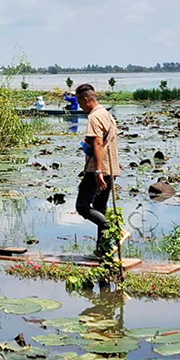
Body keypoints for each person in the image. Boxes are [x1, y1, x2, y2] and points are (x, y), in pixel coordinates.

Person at [74, 83, 122, 257]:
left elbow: (99, 143)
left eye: (80, 102)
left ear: (86, 100)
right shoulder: (107, 115)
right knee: (100, 207)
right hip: (111, 168)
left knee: (82, 206)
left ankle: (113, 229)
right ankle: (103, 251)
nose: (79, 106)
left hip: (98, 169)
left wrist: (98, 172)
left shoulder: (94, 117)